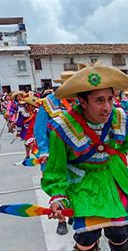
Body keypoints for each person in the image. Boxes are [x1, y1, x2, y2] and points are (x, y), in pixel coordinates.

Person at [42, 62, 128, 251]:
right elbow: (55, 167)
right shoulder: (62, 127)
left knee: (119, 235)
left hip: (112, 182)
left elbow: (125, 144)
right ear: (82, 101)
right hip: (83, 184)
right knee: (86, 239)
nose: (107, 107)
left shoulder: (121, 118)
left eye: (109, 99)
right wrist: (58, 196)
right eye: (99, 100)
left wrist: (109, 161)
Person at [34, 71, 78, 235]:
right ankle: (61, 219)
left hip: (76, 152)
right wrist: (44, 150)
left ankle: (73, 210)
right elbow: (39, 130)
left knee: (75, 183)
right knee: (58, 184)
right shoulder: (48, 103)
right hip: (54, 153)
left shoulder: (81, 102)